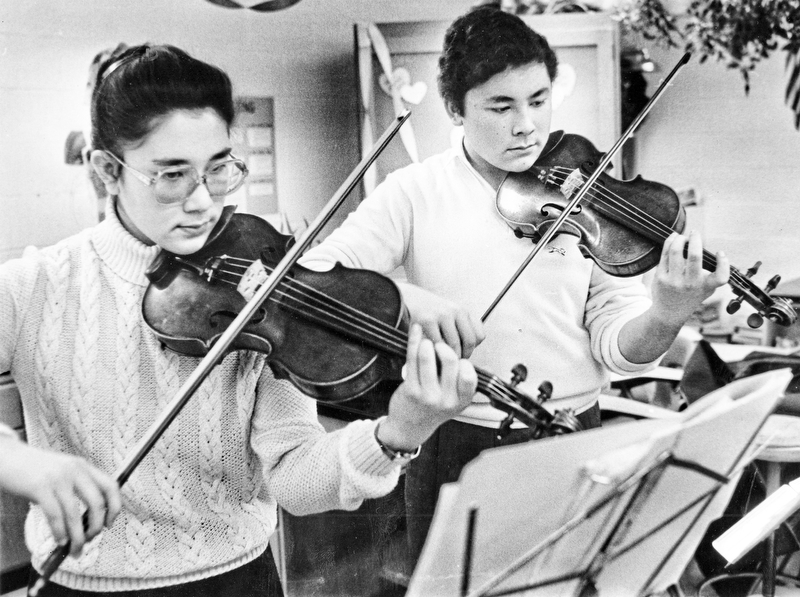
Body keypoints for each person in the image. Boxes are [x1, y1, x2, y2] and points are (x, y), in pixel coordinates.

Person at [0, 43, 478, 596]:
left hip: (238, 581)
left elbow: (295, 477)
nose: (204, 201)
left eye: (219, 168)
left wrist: (398, 432)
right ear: (107, 170)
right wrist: (25, 466)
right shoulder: (35, 285)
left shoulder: (264, 282)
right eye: (172, 175)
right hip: (82, 586)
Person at [299, 5, 730, 562]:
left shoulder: (588, 193)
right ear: (455, 108)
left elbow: (619, 350)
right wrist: (409, 297)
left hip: (577, 434)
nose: (525, 124)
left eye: (538, 100)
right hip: (456, 442)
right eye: (500, 107)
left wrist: (667, 314)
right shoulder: (412, 193)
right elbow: (312, 278)